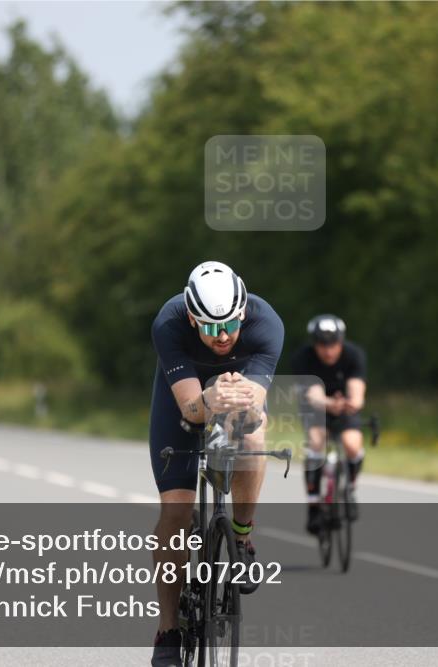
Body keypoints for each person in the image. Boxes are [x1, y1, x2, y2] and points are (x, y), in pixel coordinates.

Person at [149, 261, 284, 667]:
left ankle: (241, 537)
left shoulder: (266, 324)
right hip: (185, 401)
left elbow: (254, 408)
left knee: (253, 439)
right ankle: (168, 630)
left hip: (238, 399)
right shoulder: (169, 323)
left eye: (229, 324)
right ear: (192, 318)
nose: (222, 335)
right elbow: (191, 410)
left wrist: (236, 400)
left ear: (242, 312)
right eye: (210, 327)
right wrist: (209, 399)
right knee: (175, 511)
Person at [290, 314, 367, 534]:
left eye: (333, 344)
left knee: (352, 444)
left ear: (341, 341)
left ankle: (350, 488)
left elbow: (357, 389)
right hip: (315, 406)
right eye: (322, 345)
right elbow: (313, 394)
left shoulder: (354, 355)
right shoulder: (303, 358)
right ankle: (314, 505)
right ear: (314, 344)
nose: (328, 350)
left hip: (344, 407)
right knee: (317, 441)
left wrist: (351, 403)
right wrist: (329, 403)